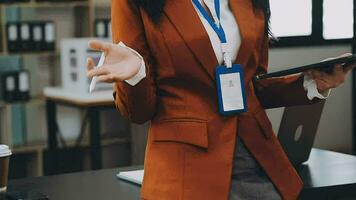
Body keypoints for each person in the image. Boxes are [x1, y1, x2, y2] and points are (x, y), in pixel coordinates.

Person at [86, 0, 354, 199]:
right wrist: (136, 75)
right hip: (186, 170)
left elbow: (253, 85)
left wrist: (311, 83)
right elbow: (139, 112)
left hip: (257, 161)